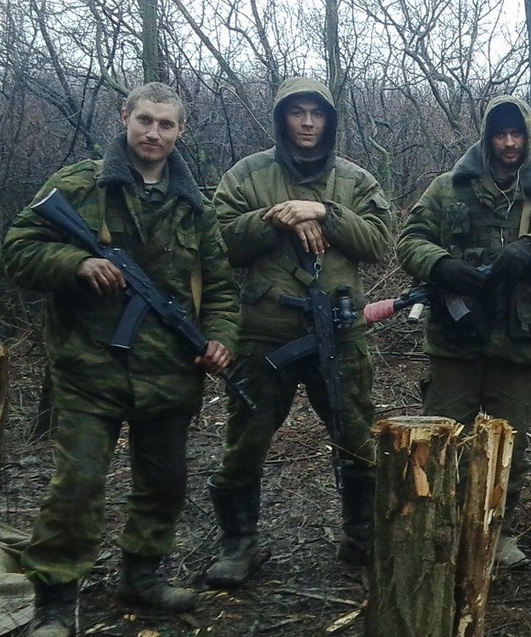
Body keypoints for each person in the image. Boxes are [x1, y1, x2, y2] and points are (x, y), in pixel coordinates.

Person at [3, 82, 239, 637]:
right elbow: (18, 250)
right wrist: (75, 264)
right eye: (145, 120)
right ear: (125, 118)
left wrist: (220, 337)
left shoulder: (194, 206)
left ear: (181, 131)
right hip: (90, 371)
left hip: (171, 373)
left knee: (164, 483)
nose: (154, 133)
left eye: (166, 124)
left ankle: (142, 576)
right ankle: (56, 599)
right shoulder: (78, 185)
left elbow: (221, 286)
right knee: (78, 484)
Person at [205, 77, 392, 585]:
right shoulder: (247, 175)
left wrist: (324, 212)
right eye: (297, 113)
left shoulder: (355, 180)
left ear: (329, 120)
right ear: (281, 118)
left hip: (340, 332)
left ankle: (362, 540)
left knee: (356, 438)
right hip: (265, 334)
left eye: (317, 113)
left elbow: (378, 242)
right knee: (245, 441)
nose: (308, 123)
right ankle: (239, 544)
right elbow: (218, 242)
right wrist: (276, 218)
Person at [396, 96, 531, 567]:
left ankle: (496, 533)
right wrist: (442, 265)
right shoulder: (449, 187)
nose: (508, 143)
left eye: (516, 133)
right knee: (442, 441)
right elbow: (410, 240)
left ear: (528, 137)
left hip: (517, 343)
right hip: (455, 341)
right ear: (487, 136)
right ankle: (440, 534)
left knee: (509, 446)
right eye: (500, 134)